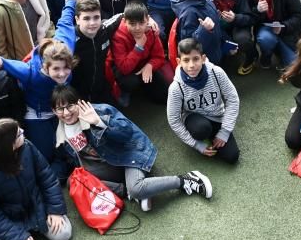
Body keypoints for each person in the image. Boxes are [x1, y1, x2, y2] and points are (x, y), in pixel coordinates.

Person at [54, 85, 214, 211]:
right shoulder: (60, 133)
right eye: (60, 109)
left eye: (70, 106)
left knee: (137, 188)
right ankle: (128, 191)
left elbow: (126, 133)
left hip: (129, 153)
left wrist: (99, 122)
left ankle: (186, 179)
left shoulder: (99, 111)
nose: (66, 113)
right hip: (109, 163)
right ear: (54, 111)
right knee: (74, 180)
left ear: (79, 102)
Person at [0, 0, 78, 173]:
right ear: (45, 67)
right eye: (56, 69)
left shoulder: (66, 46)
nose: (62, 74)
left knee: (70, 146)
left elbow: (65, 23)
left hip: (60, 108)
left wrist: (70, 2)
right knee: (45, 155)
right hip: (38, 113)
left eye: (66, 68)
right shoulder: (29, 73)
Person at [167, 38, 241, 164]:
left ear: (203, 58)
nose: (191, 65)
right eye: (186, 60)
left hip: (217, 117)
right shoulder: (176, 87)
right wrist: (196, 144)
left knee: (232, 156)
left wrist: (224, 132)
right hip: (194, 119)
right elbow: (173, 120)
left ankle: (213, 135)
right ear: (179, 62)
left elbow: (233, 99)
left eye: (195, 59)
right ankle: (204, 136)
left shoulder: (217, 72)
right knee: (201, 129)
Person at [239, 0, 301, 70]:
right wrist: (257, 10)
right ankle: (266, 55)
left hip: (285, 29)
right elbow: (247, 18)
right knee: (265, 39)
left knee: (294, 66)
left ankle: (279, 51)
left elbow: (298, 15)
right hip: (265, 29)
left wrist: (284, 27)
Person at [107, 1, 174, 106]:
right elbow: (124, 68)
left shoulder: (151, 30)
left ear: (147, 19)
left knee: (164, 96)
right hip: (125, 70)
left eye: (141, 23)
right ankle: (125, 91)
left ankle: (145, 85)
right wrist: (138, 47)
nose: (137, 28)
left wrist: (150, 66)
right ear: (124, 21)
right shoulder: (118, 37)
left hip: (145, 64)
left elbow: (159, 56)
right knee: (131, 82)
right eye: (132, 24)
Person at [201, 0, 257, 76]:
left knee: (243, 40)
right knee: (221, 59)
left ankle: (252, 57)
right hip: (217, 29)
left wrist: (235, 18)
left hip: (237, 26)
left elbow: (250, 17)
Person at [170, 0, 231, 66]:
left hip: (215, 52)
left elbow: (217, 28)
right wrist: (204, 29)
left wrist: (227, 42)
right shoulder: (189, 13)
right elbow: (188, 44)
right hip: (204, 62)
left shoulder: (204, 1)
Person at [70, 0, 120, 104]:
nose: (92, 23)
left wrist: (148, 18)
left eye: (96, 17)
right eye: (86, 18)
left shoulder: (104, 29)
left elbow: (122, 15)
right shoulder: (69, 39)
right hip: (77, 95)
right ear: (77, 20)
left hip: (101, 89)